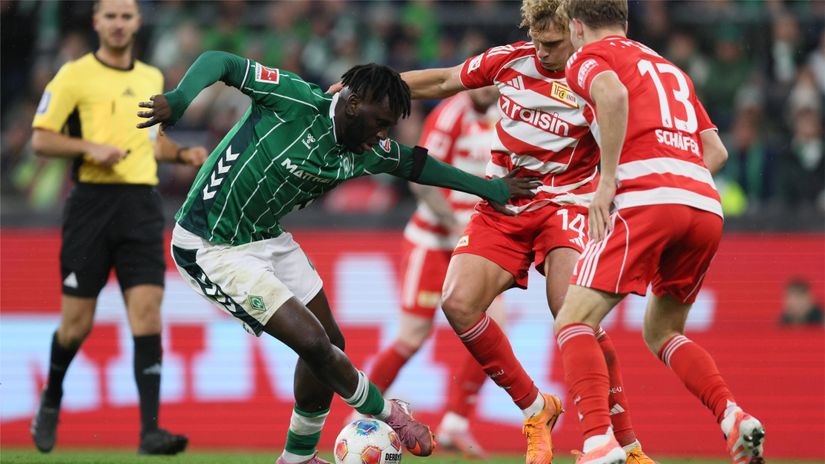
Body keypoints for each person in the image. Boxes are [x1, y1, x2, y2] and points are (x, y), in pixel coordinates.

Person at [136, 51, 540, 464]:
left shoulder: (366, 148)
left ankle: (298, 457)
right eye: (379, 122)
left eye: (388, 127)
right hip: (210, 245)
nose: (381, 135)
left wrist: (491, 189)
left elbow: (418, 165)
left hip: (265, 236)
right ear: (352, 104)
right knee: (314, 343)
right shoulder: (293, 100)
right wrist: (181, 98)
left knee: (330, 342)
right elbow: (222, 62)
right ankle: (390, 415)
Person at [371, 1, 655, 462]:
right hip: (504, 204)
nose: (543, 52)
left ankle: (619, 442)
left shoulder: (597, 77)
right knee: (458, 304)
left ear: (575, 32)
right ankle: (536, 408)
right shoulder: (509, 61)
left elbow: (639, 129)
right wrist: (373, 87)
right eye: (538, 41)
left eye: (554, 43)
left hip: (565, 204)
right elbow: (442, 81)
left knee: (573, 313)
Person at [554, 1, 765, 463]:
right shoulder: (670, 69)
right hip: (704, 204)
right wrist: (676, 183)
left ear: (575, 26)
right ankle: (732, 414)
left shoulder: (588, 57)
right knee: (663, 331)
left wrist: (608, 182)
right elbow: (717, 150)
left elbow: (611, 95)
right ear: (626, 22)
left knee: (573, 320)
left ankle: (598, 441)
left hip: (646, 199)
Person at [29, 0, 207, 455]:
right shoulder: (73, 76)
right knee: (76, 325)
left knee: (147, 313)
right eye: (110, 16)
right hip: (91, 205)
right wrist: (90, 148)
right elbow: (41, 138)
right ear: (96, 23)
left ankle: (150, 431)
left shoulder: (150, 77)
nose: (118, 24)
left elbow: (152, 143)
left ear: (137, 23)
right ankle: (51, 398)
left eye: (126, 16)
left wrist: (181, 154)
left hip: (140, 206)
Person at [365, 86, 503, 458]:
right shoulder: (450, 114)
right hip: (433, 240)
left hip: (473, 244)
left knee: (495, 328)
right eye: (484, 81)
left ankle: (455, 423)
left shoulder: (503, 114)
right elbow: (419, 180)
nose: (491, 89)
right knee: (412, 336)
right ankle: (360, 412)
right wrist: (454, 222)